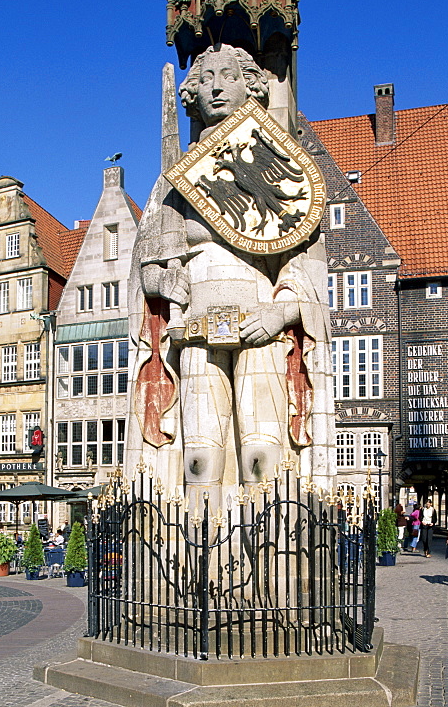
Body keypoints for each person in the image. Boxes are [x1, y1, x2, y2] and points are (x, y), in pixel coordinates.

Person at [126, 44, 333, 506]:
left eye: (228, 76)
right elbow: (150, 266)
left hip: (258, 318)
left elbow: (304, 268)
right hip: (195, 325)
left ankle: (270, 561)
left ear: (252, 85)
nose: (217, 87)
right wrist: (161, 282)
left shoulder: (279, 164)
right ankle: (202, 558)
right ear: (192, 94)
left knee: (263, 452)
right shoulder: (176, 181)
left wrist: (283, 311)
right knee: (200, 458)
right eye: (206, 79)